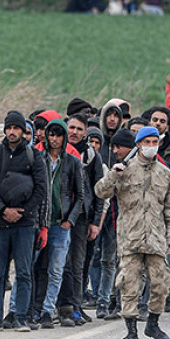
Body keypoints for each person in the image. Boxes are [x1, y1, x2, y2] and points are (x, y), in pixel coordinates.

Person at [94, 126, 170, 339]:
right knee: (129, 285)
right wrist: (113, 175)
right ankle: (131, 332)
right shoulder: (124, 169)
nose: (152, 146)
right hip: (130, 237)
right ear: (139, 144)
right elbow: (100, 191)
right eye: (147, 142)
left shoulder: (165, 174)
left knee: (161, 283)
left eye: (155, 142)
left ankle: (153, 323)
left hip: (156, 238)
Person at [0, 111, 49, 332]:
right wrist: (3, 210)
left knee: (23, 272)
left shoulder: (33, 157)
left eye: (16, 128)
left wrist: (23, 212)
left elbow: (41, 190)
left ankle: (21, 317)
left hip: (24, 224)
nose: (12, 132)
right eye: (9, 128)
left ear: (23, 131)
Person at [27, 119, 88, 328]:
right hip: (38, 223)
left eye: (58, 135)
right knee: (34, 268)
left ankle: (47, 310)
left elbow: (80, 196)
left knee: (56, 269)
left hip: (60, 224)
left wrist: (70, 221)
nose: (54, 139)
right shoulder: (37, 159)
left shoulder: (72, 162)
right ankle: (31, 308)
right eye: (51, 134)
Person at [62, 113, 106, 322]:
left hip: (81, 217)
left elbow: (99, 190)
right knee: (61, 263)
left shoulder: (91, 156)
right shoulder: (58, 152)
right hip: (60, 216)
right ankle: (60, 306)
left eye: (79, 129)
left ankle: (76, 305)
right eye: (71, 127)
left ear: (85, 133)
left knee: (78, 264)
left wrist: (95, 222)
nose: (74, 132)